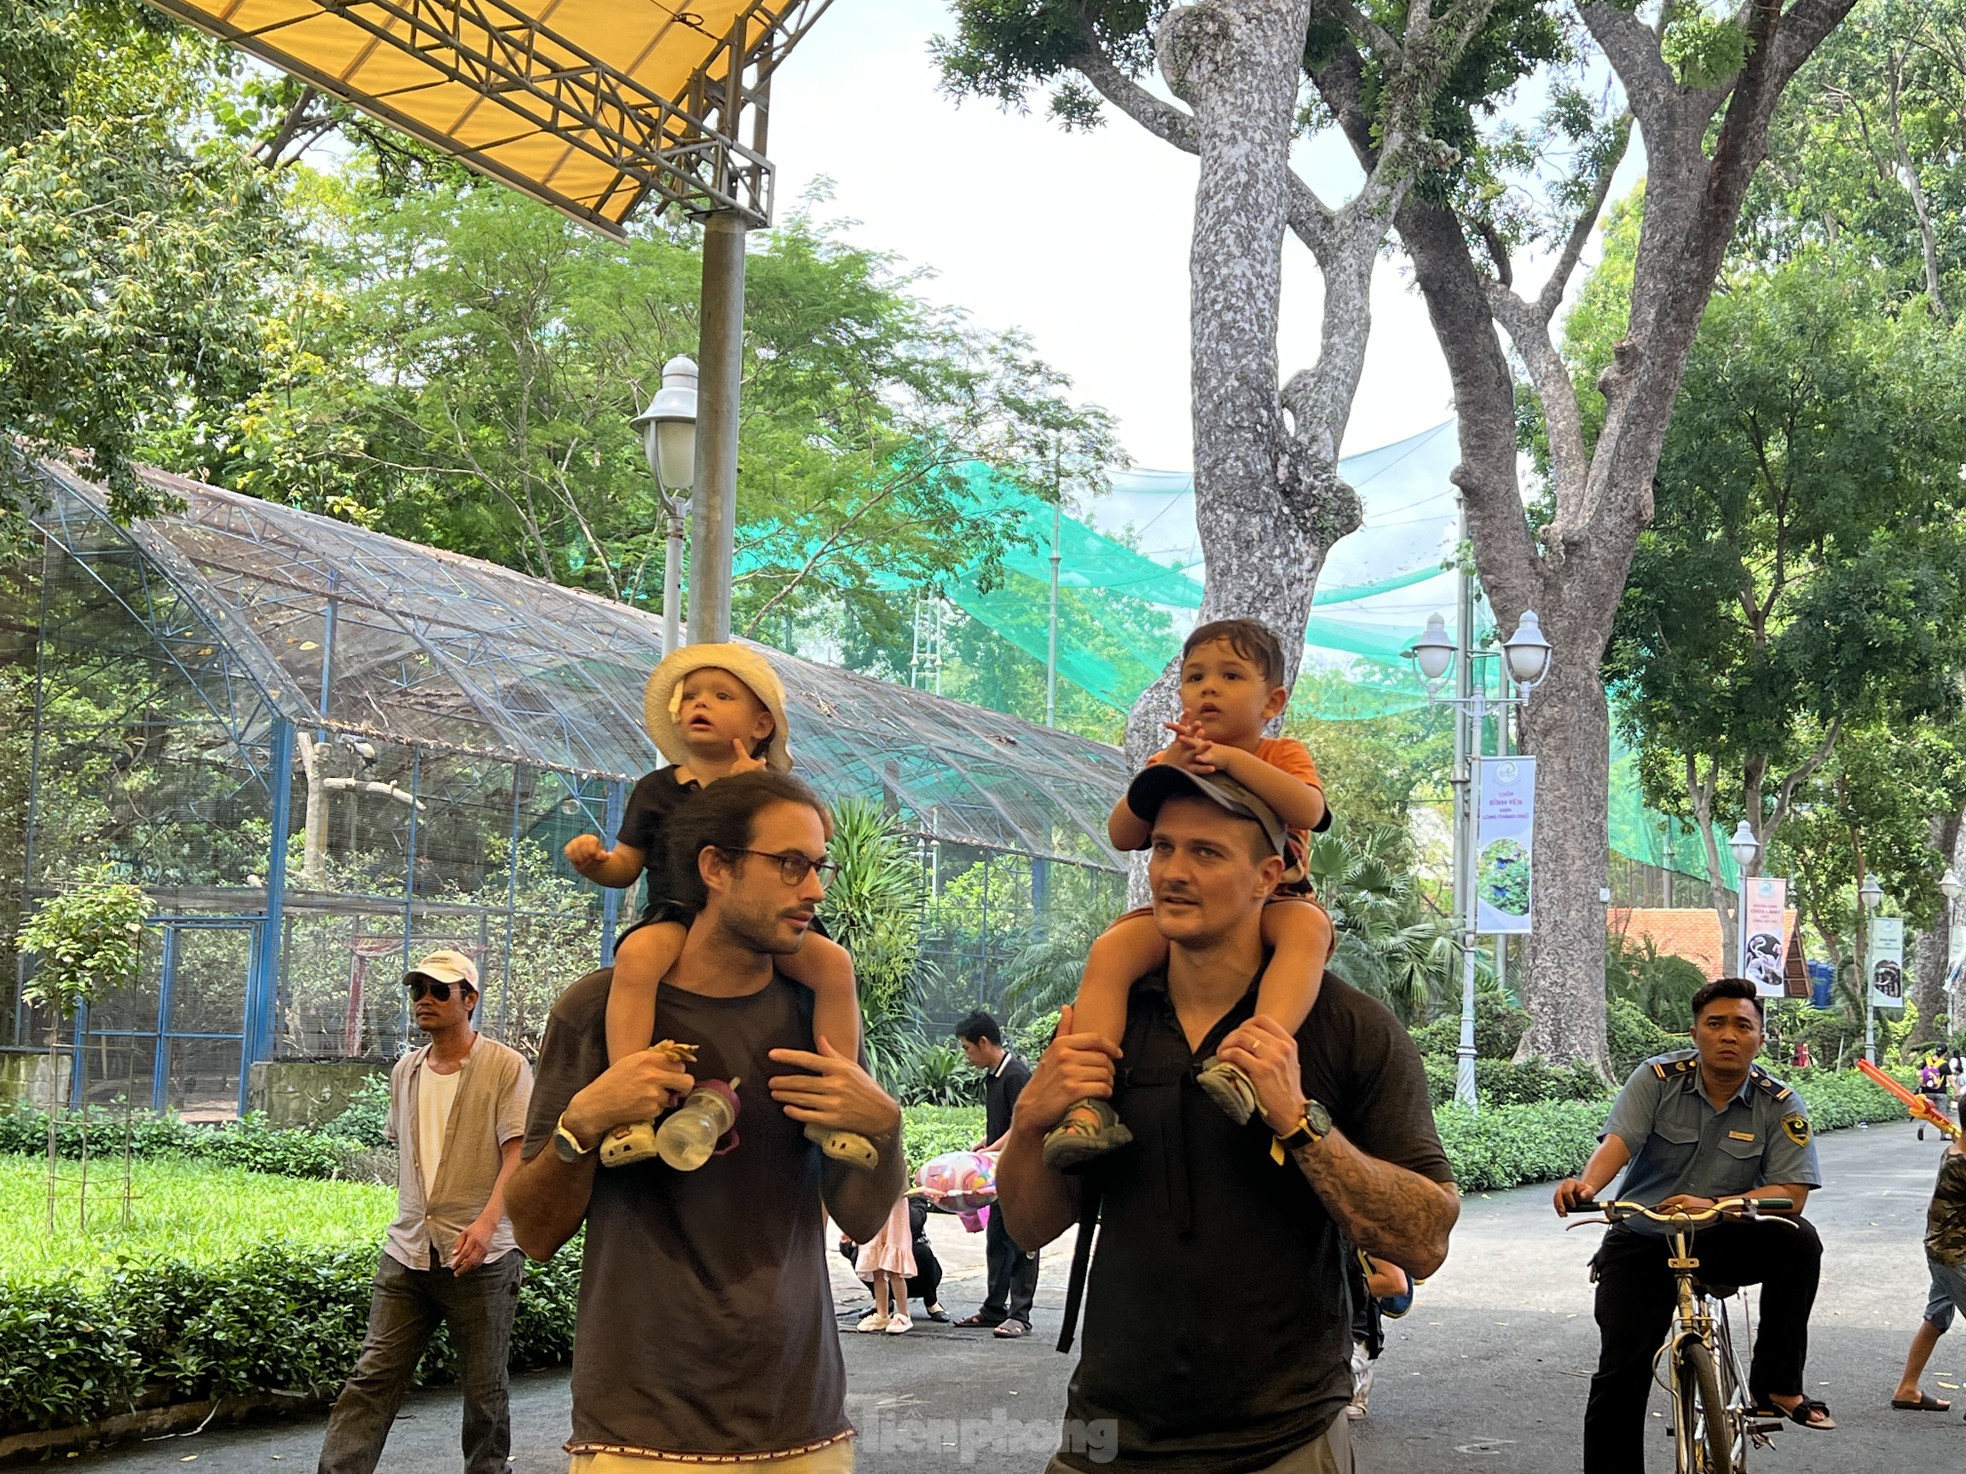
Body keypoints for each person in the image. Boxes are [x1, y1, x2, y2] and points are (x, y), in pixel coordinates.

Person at [997, 764, 1460, 1473]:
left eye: (1206, 853)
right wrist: (1031, 1122)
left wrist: (1300, 1121)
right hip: (1106, 1434)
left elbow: (1424, 1240)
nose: (1173, 872)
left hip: (1283, 1442)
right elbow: (1031, 1227)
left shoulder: (1349, 1029)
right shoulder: (1108, 1022)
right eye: (1164, 849)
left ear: (1267, 876)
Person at [507, 771, 906, 1472]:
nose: (814, 890)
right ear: (715, 867)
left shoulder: (816, 1014)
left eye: (818, 868)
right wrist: (583, 1124)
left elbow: (863, 1222)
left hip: (802, 1423)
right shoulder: (593, 1011)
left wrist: (885, 1128)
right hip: (638, 1432)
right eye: (789, 865)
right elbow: (536, 1233)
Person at [562, 643, 871, 1171]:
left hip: (758, 922)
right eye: (691, 696)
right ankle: (630, 1103)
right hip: (679, 913)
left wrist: (758, 787)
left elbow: (817, 835)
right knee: (638, 959)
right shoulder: (656, 790)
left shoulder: (771, 790)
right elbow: (626, 868)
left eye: (722, 695)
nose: (699, 703)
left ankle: (838, 1096)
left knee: (834, 966)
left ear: (761, 725)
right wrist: (598, 865)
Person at [1047, 619, 1333, 1169]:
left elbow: (1309, 811)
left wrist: (1230, 761)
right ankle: (1089, 1099)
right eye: (1194, 676)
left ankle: (1251, 1057)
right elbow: (1122, 834)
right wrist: (1167, 766)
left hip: (1276, 903)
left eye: (1230, 675)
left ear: (1272, 700)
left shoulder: (1281, 755)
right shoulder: (1168, 761)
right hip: (1183, 912)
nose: (1208, 688)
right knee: (1112, 950)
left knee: (1309, 930)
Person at [1553, 976, 1832, 1472]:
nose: (1729, 1035)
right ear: (1695, 1032)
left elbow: (1791, 1195)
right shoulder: (1657, 1079)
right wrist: (1587, 1188)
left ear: (1760, 1037)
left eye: (1742, 1025)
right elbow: (1618, 1143)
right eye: (1716, 1024)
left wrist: (1720, 1202)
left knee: (1799, 1241)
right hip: (1643, 1238)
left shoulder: (1780, 1102)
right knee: (1620, 1375)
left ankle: (1777, 1384)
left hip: (1724, 1235)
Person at [317, 949, 532, 1474]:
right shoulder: (405, 1071)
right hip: (408, 1250)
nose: (426, 1000)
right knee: (373, 1376)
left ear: (470, 999)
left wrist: (485, 1226)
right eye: (418, 991)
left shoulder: (506, 1067)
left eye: (440, 990)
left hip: (483, 1255)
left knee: (484, 1391)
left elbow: (519, 1153)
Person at [952, 1010, 1041, 1339]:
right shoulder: (994, 1076)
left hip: (1023, 1172)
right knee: (998, 1240)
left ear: (984, 1042)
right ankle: (993, 1308)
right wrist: (985, 1145)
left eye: (966, 1048)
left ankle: (1020, 1315)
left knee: (1022, 1240)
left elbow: (1023, 1125)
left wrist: (993, 1149)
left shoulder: (1016, 1074)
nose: (966, 1055)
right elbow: (1004, 1126)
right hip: (998, 1173)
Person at [1890, 1093, 1966, 1413]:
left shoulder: (1956, 1151)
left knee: (1936, 1319)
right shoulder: (1960, 1163)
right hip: (1954, 1256)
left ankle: (1907, 1388)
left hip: (1942, 1252)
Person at [837, 1195, 948, 1324]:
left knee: (919, 1253)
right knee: (859, 1253)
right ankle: (882, 1305)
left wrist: (893, 1202)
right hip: (878, 1246)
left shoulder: (913, 1198)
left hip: (909, 1255)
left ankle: (930, 1302)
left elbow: (915, 1222)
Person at [1344, 1247, 1413, 1421]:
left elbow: (1396, 1283)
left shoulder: (1367, 1234)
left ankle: (1357, 1379)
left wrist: (1339, 1291)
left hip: (1356, 1334)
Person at [854, 1193, 918, 1334]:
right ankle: (882, 1314)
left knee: (894, 1270)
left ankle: (903, 1314)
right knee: (876, 1267)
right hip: (872, 1205)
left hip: (893, 1205)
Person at [1920, 1056, 1949, 1142]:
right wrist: (1957, 1090)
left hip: (1928, 1092)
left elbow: (1920, 1076)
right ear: (1945, 1053)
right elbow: (1951, 1079)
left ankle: (1921, 1127)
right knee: (1942, 1114)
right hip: (1941, 1093)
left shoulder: (1926, 1061)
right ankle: (1943, 1134)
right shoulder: (1944, 1064)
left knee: (1927, 1112)